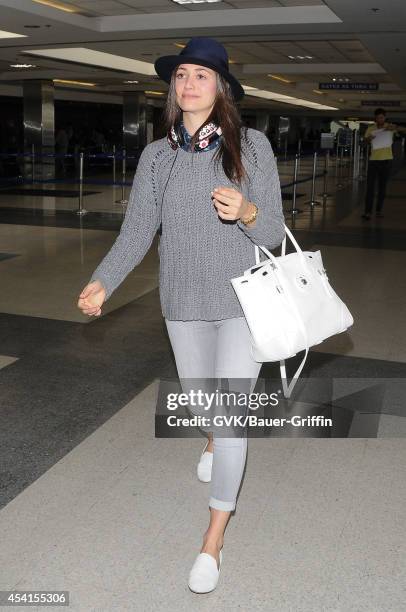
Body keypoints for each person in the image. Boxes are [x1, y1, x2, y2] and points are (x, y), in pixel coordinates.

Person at [77, 37, 285, 593]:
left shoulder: (253, 148)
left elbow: (272, 234)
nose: (188, 83)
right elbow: (137, 231)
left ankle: (213, 538)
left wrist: (247, 211)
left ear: (221, 89)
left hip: (242, 301)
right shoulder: (156, 156)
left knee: (232, 415)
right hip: (183, 302)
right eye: (182, 75)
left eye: (201, 75)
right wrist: (103, 281)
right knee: (203, 402)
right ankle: (212, 438)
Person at [362, 108, 406, 220]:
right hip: (374, 161)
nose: (380, 119)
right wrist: (369, 139)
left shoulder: (390, 127)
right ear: (375, 119)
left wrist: (395, 127)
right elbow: (364, 142)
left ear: (384, 118)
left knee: (382, 187)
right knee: (370, 187)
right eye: (378, 118)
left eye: (382, 117)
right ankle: (367, 212)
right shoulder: (371, 129)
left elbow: (403, 130)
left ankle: (378, 210)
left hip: (387, 161)